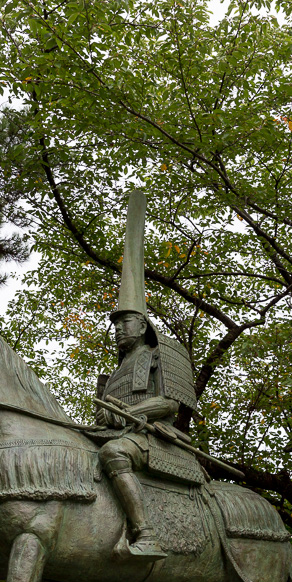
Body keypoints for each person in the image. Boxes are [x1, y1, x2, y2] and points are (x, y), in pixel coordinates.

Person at [95, 191, 203, 560]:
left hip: (154, 439)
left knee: (113, 453)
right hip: (120, 431)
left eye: (124, 322)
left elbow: (171, 402)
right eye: (115, 325)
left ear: (141, 324)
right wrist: (108, 414)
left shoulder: (164, 352)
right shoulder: (114, 372)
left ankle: (146, 533)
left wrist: (135, 415)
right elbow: (104, 414)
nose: (118, 330)